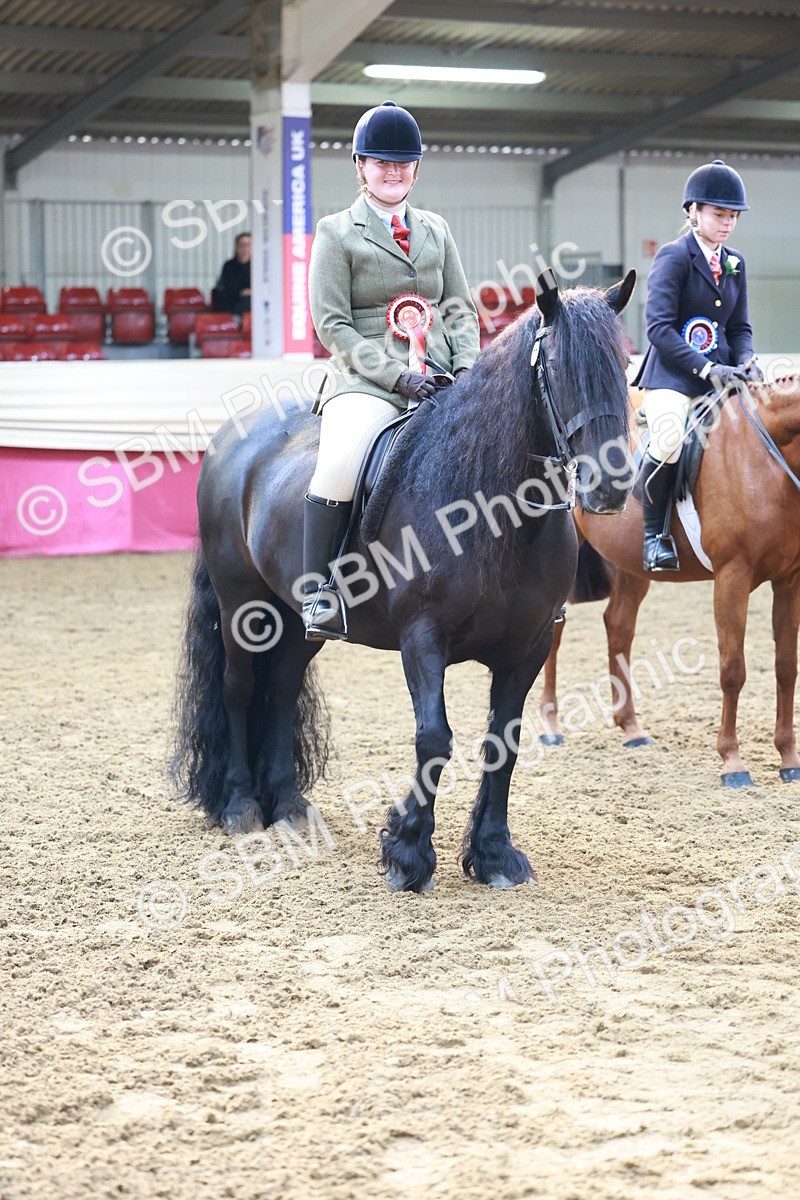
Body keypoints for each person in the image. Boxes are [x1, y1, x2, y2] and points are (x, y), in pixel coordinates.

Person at [303, 99, 480, 640]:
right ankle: (320, 591)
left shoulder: (436, 228)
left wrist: (469, 368)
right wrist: (398, 377)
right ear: (360, 167)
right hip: (368, 381)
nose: (393, 171)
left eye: (402, 163)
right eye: (381, 162)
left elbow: (459, 308)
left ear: (416, 169)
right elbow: (332, 326)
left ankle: (525, 580)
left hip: (444, 375)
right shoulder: (336, 232)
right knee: (341, 461)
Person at [633, 159, 761, 572]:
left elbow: (739, 326)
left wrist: (745, 362)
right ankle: (655, 536)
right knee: (669, 438)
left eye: (733, 216)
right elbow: (658, 329)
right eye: (719, 215)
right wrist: (707, 370)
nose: (727, 224)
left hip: (723, 374)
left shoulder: (735, 261)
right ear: (694, 212)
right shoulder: (674, 257)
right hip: (672, 375)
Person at [213, 232, 251, 314]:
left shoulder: (257, 266)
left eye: (249, 245)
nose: (246, 249)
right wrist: (241, 292)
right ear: (237, 248)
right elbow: (225, 290)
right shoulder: (229, 266)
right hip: (232, 303)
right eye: (242, 245)